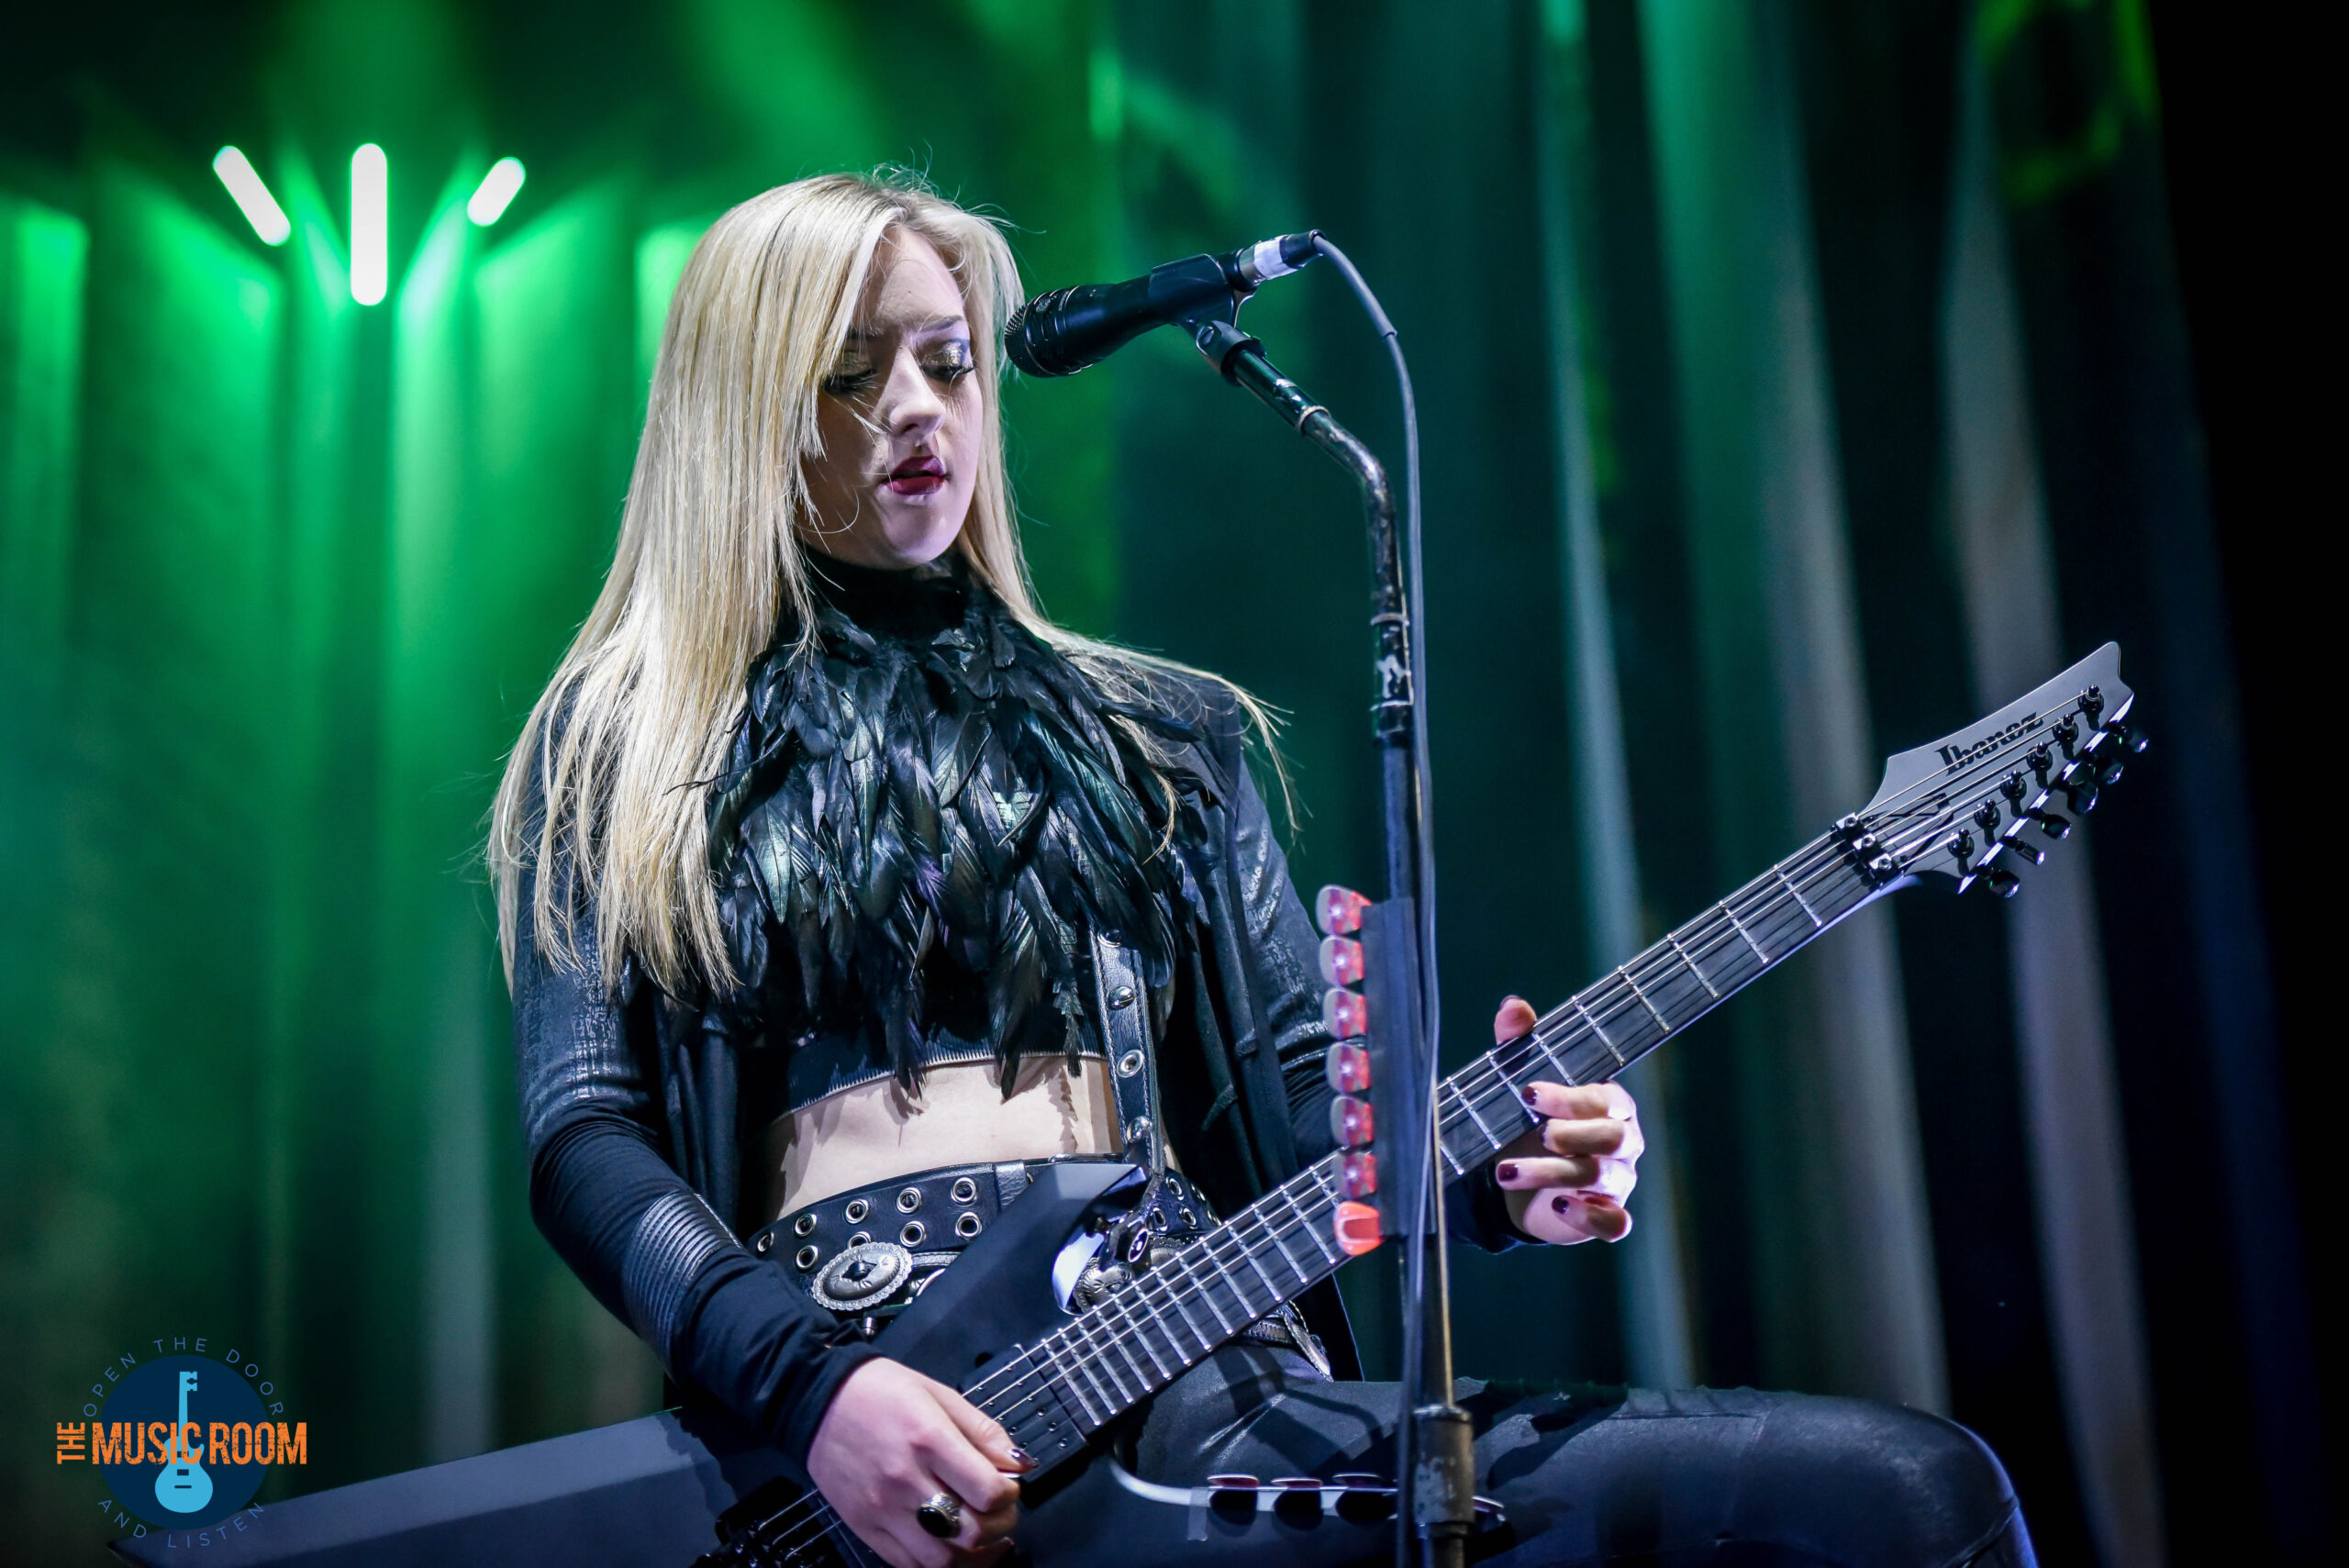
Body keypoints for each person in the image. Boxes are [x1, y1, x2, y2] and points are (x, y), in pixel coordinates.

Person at [491, 171, 2034, 1568]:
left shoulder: (1163, 736)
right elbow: (587, 1142)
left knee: (1902, 1494)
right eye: (852, 371)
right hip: (833, 1462)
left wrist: (1490, 1169)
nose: (922, 408)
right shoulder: (617, 749)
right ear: (741, 407)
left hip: (1197, 1397)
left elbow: (1307, 1096)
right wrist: (814, 1387)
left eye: (949, 360)